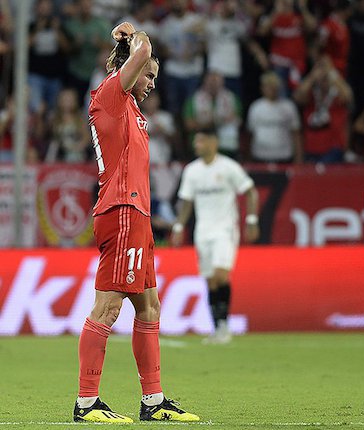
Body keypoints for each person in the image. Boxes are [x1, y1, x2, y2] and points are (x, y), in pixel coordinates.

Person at [74, 22, 199, 423]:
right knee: (108, 307)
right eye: (149, 75)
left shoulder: (128, 107)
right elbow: (142, 49)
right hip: (122, 212)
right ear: (130, 66)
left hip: (137, 215)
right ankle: (87, 402)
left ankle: (154, 401)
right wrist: (133, 34)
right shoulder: (111, 93)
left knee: (149, 306)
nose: (151, 83)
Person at [171, 132, 259, 344]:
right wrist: (178, 226)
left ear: (213, 142)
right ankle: (217, 327)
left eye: (201, 140)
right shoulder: (192, 170)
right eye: (195, 141)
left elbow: (251, 191)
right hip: (203, 231)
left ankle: (224, 326)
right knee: (210, 280)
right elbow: (186, 202)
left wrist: (252, 220)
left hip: (225, 229)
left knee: (221, 275)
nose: (197, 145)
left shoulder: (228, 167)